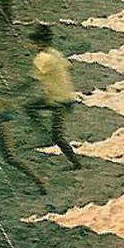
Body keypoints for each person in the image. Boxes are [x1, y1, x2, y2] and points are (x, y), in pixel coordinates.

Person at [23, 23, 82, 170]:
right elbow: (69, 67)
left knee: (57, 137)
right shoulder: (54, 53)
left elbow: (30, 81)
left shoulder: (43, 58)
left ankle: (76, 163)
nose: (29, 46)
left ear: (40, 43)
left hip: (59, 101)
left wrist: (11, 90)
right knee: (29, 106)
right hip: (65, 96)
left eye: (32, 43)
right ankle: (43, 132)